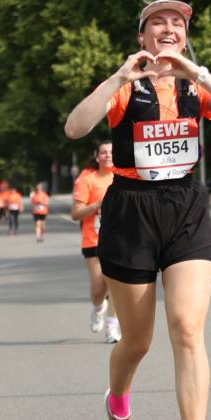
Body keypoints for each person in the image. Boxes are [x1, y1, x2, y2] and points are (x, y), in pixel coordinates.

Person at [64, 0, 211, 420]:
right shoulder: (127, 90)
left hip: (186, 208)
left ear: (185, 36)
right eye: (157, 23)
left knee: (188, 327)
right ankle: (118, 405)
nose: (168, 29)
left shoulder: (196, 86)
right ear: (142, 37)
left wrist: (198, 72)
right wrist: (119, 78)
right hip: (130, 212)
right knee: (138, 340)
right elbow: (76, 126)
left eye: (177, 23)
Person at [71, 141, 121, 344]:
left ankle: (112, 327)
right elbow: (76, 213)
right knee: (98, 287)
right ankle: (98, 308)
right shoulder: (87, 179)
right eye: (104, 152)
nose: (108, 155)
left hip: (119, 239)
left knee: (115, 284)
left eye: (111, 151)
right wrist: (97, 204)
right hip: (94, 239)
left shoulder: (123, 176)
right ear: (97, 156)